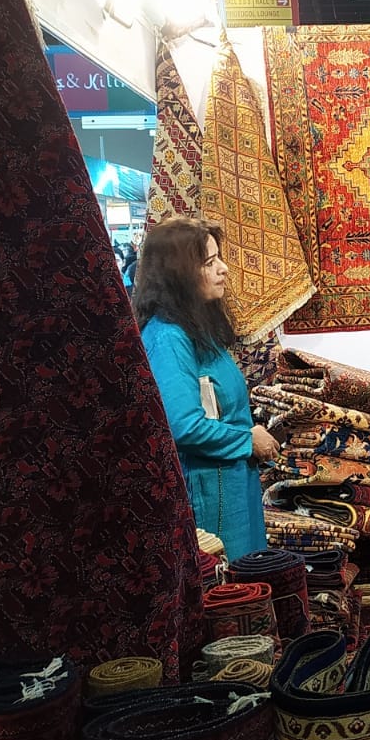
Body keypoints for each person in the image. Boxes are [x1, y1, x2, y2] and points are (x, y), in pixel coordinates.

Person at [132, 216, 279, 562]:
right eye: (210, 263)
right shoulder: (169, 338)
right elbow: (183, 425)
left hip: (231, 485)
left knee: (249, 584)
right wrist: (247, 440)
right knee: (228, 591)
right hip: (213, 495)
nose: (224, 269)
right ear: (179, 274)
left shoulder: (196, 329)